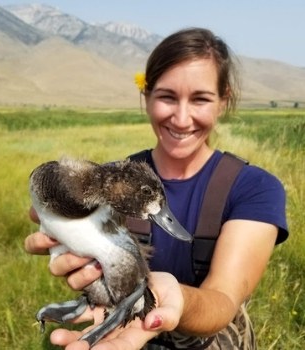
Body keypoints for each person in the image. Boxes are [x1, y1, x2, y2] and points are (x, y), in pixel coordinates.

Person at [25, 28, 288, 349]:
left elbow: (224, 299)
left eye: (201, 98)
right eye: (167, 96)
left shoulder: (256, 188)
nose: (181, 118)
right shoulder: (107, 183)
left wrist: (168, 300)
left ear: (223, 101)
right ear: (146, 96)